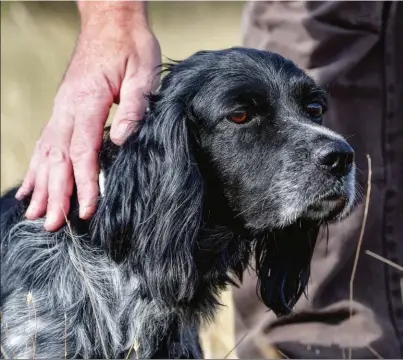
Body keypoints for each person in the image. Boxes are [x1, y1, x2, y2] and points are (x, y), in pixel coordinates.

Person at [16, 1, 403, 358]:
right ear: (176, 150)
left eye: (313, 110)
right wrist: (113, 19)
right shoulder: (36, 315)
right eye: (240, 116)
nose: (330, 147)